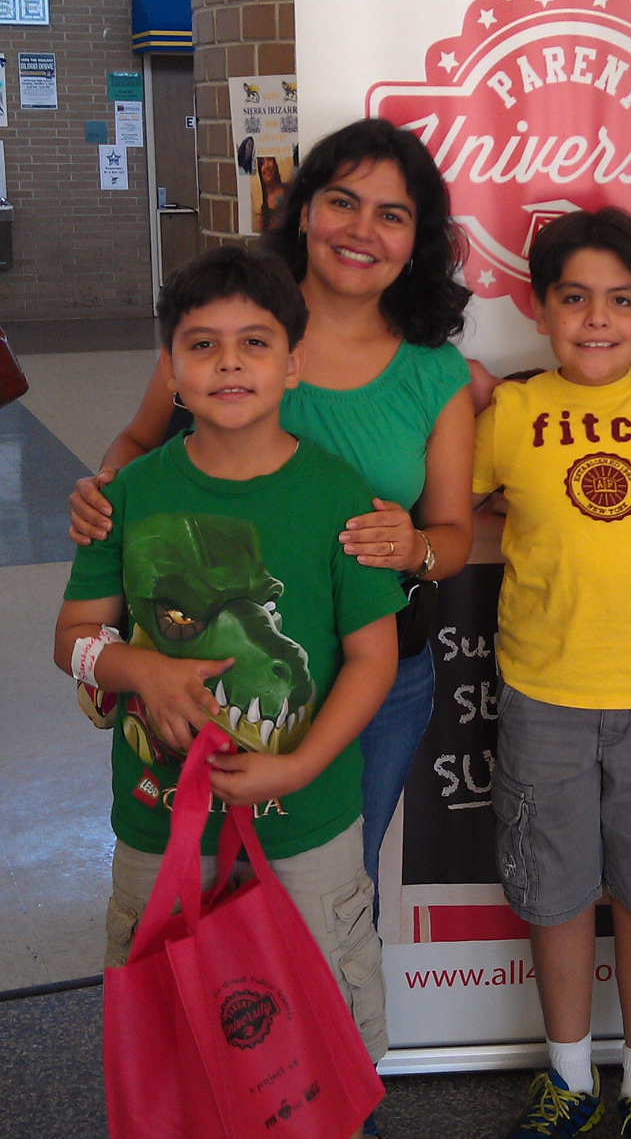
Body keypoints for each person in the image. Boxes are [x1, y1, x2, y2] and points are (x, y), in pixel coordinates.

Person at [69, 118, 476, 908]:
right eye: (343, 202)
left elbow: (454, 537)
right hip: (208, 670)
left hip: (375, 678)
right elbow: (137, 440)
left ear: (417, 238)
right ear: (303, 210)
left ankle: (310, 1035)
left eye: (391, 215)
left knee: (324, 898)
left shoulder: (435, 371)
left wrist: (417, 547)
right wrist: (102, 490)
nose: (362, 230)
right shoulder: (233, 320)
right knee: (194, 887)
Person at [54, 246, 406, 1139]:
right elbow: (74, 638)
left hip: (310, 832)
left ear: (294, 361)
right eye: (201, 345)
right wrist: (137, 668)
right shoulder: (126, 495)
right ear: (170, 369)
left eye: (254, 342)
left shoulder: (337, 494)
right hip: (156, 828)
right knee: (177, 1050)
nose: (228, 363)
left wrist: (302, 767)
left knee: (322, 1041)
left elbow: (372, 657)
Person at [474, 208, 631, 1139]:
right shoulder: (513, 413)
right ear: (539, 309)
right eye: (573, 299)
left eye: (621, 300)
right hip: (545, 697)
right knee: (557, 890)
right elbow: (459, 508)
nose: (597, 319)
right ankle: (569, 1078)